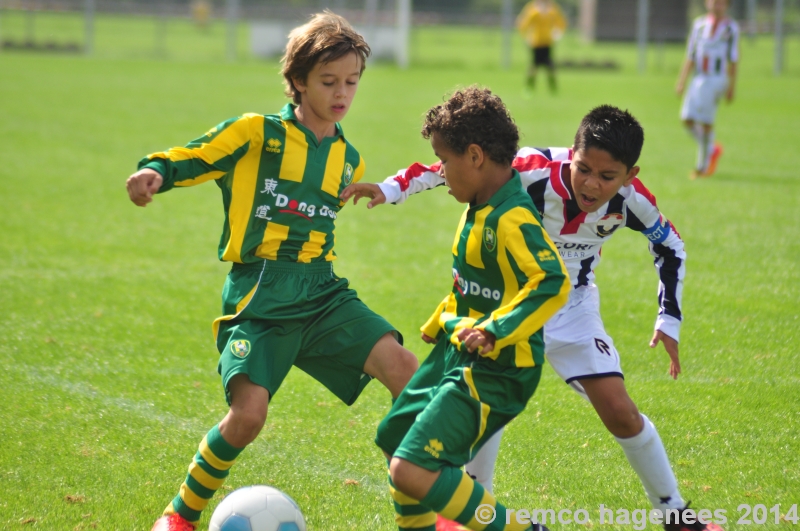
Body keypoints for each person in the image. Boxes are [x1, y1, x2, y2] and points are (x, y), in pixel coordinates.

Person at [343, 105, 722, 531]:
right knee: (481, 395)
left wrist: (668, 319)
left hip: (572, 307)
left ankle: (676, 514)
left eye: (607, 176)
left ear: (630, 175)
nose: (592, 184)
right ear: (572, 154)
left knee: (620, 411)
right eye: (583, 168)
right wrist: (391, 189)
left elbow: (671, 247)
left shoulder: (634, 202)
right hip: (508, 309)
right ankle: (470, 507)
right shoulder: (531, 170)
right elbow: (446, 167)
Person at [126, 12, 419, 531]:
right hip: (260, 292)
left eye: (351, 81)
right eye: (328, 81)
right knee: (248, 417)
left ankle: (421, 517)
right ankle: (179, 517)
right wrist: (156, 171)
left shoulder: (348, 159)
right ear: (299, 80)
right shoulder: (257, 133)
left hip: (323, 292)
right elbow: (196, 156)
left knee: (406, 371)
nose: (342, 92)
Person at [369, 86, 571, 531]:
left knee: (410, 468)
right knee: (393, 439)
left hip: (499, 366)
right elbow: (477, 283)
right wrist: (441, 316)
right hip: (457, 350)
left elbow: (553, 281)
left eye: (444, 159)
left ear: (475, 156)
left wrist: (496, 329)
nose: (441, 170)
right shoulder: (479, 206)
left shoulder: (512, 217)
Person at [676, 0, 739, 179]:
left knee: (704, 122)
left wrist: (731, 86)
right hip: (698, 78)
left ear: (727, 5)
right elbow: (690, 55)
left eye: (721, 3)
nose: (717, 6)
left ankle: (701, 168)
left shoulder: (730, 28)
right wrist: (681, 81)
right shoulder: (699, 25)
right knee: (687, 119)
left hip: (716, 79)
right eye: (714, 2)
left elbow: (733, 59)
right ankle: (712, 149)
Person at [517, 0, 567, 93]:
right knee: (534, 67)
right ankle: (529, 87)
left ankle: (553, 88)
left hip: (547, 42)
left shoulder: (552, 9)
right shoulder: (533, 9)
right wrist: (526, 36)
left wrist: (558, 33)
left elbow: (561, 22)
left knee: (550, 67)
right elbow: (524, 23)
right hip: (536, 43)